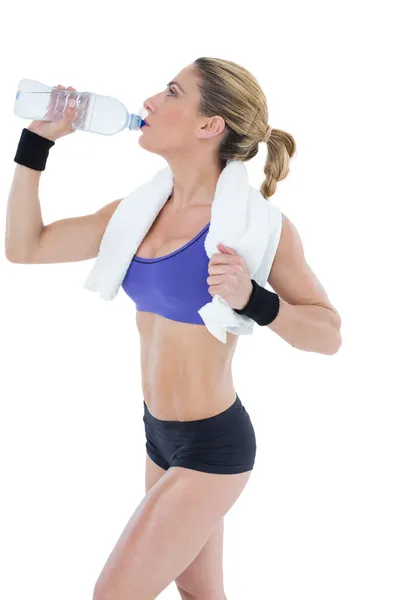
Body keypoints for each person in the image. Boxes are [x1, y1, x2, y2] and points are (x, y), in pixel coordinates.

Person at [6, 57, 342, 600]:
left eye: (171, 92)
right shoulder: (137, 212)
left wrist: (254, 300)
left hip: (214, 445)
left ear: (210, 126)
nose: (149, 103)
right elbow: (25, 248)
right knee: (200, 595)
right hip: (159, 435)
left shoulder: (257, 229)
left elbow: (328, 335)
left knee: (113, 594)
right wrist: (37, 143)